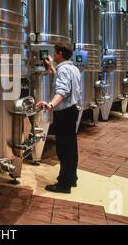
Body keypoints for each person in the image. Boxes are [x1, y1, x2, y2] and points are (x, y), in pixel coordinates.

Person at [36, 42, 82, 194]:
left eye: (55, 53)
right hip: (73, 110)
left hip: (64, 113)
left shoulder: (63, 70)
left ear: (60, 53)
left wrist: (50, 104)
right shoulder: (73, 68)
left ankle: (63, 185)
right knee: (71, 147)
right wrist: (52, 68)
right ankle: (71, 178)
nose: (53, 55)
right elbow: (64, 80)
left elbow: (62, 91)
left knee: (63, 149)